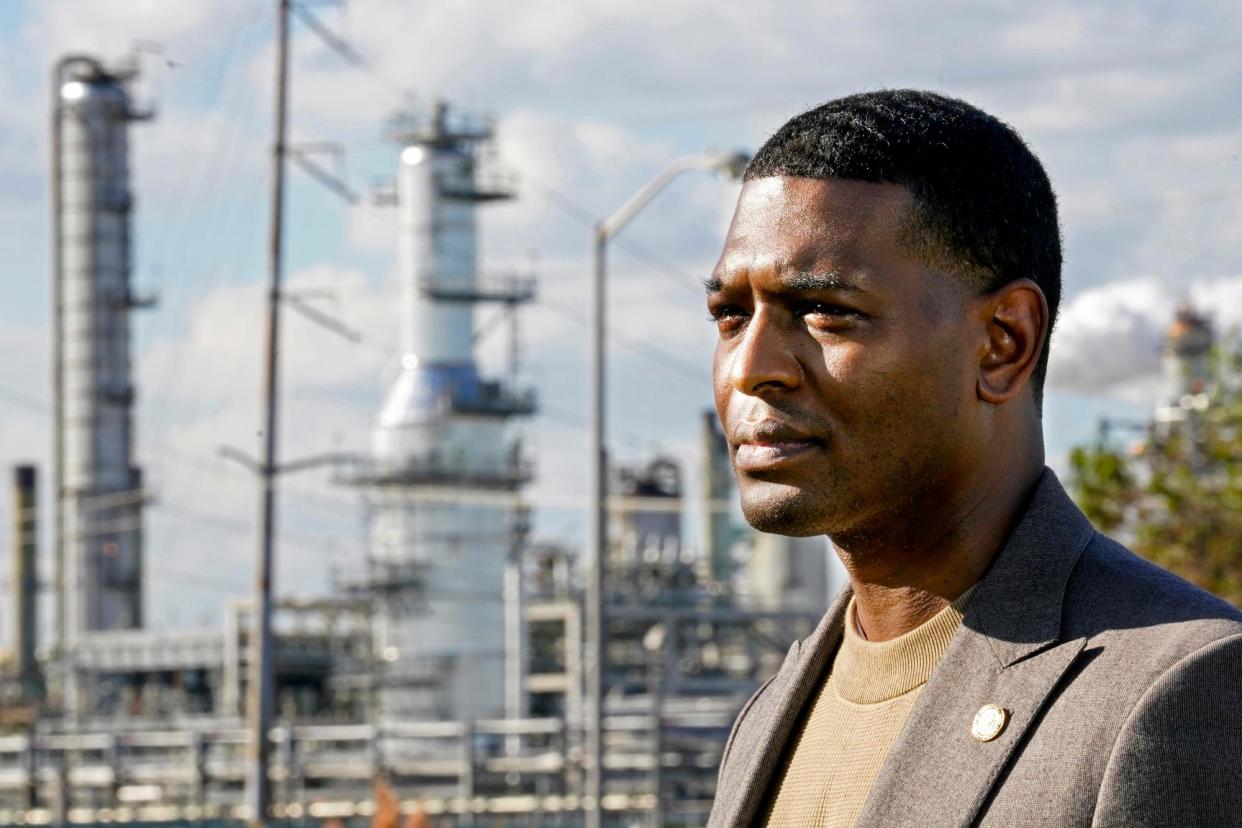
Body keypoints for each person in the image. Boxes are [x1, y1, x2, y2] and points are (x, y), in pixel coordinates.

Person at [704, 90, 1242, 827]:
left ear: (1003, 344)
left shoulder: (1181, 687)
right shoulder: (773, 713)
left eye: (826, 311)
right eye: (731, 315)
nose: (751, 367)